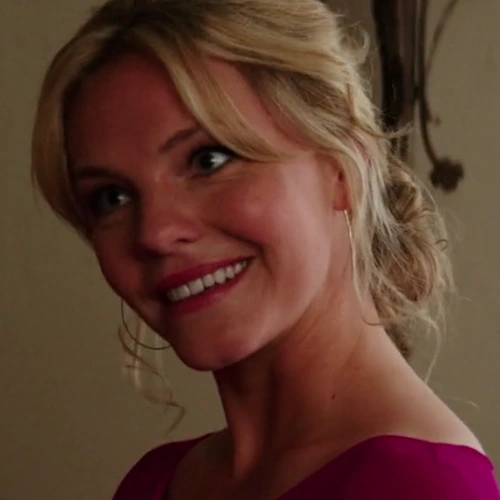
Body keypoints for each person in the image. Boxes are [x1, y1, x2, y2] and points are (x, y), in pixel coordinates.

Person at [31, 0, 500, 498]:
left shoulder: (423, 488)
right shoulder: (156, 482)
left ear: (343, 162)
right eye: (112, 197)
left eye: (208, 160)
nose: (154, 232)